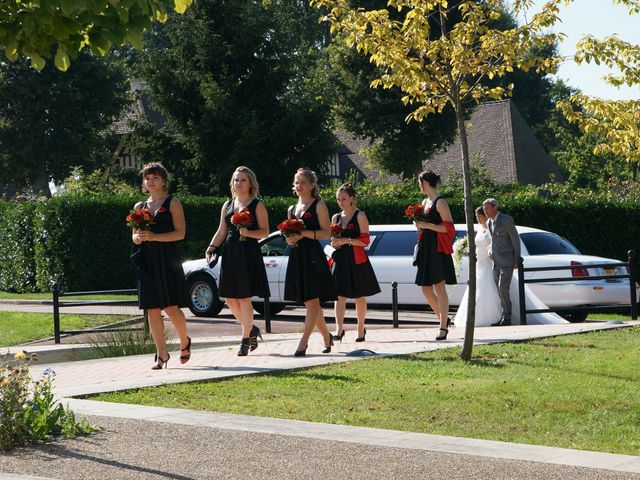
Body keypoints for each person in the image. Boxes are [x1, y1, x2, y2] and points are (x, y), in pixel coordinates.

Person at [454, 206, 568, 328]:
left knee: (496, 288)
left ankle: (502, 316)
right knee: (480, 289)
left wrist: (492, 252)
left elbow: (497, 242)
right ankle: (479, 316)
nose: (478, 218)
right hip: (480, 264)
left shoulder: (492, 226)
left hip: (490, 262)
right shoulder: (479, 228)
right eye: (476, 216)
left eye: (480, 216)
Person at [131, 162, 191, 370]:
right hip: (147, 261)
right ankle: (161, 354)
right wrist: (137, 238)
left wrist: (155, 236)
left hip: (167, 261)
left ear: (163, 181)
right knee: (152, 309)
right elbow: (134, 233)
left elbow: (180, 233)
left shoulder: (173, 203)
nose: (150, 181)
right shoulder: (140, 207)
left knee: (171, 307)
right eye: (147, 178)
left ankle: (185, 342)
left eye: (155, 177)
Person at [205, 166, 270, 356]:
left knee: (244, 297)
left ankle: (244, 340)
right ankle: (251, 330)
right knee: (229, 298)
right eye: (236, 180)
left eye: (242, 180)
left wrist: (248, 232)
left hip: (248, 254)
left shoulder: (257, 205)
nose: (238, 183)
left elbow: (265, 232)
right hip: (230, 254)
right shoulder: (228, 205)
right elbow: (222, 230)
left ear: (250, 183)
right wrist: (211, 247)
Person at [283, 168, 336, 356]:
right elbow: (290, 234)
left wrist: (303, 233)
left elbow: (326, 232)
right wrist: (289, 238)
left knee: (313, 302)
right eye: (297, 183)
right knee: (309, 302)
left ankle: (303, 343)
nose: (299, 186)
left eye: (303, 183)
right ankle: (326, 336)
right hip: (297, 256)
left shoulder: (318, 205)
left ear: (312, 184)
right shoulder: (292, 209)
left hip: (313, 256)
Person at [330, 183, 381, 342]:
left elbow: (366, 241)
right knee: (339, 296)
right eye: (338, 199)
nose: (341, 202)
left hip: (357, 260)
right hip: (340, 260)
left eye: (343, 198)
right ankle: (339, 329)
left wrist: (347, 240)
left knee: (359, 296)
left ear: (352, 198)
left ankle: (360, 329)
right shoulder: (335, 217)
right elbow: (333, 238)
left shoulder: (360, 215)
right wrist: (335, 242)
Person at [414, 170, 457, 341]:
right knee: (425, 288)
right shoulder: (425, 202)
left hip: (437, 248)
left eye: (419, 182)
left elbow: (449, 228)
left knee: (440, 288)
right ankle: (443, 318)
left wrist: (427, 225)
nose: (419, 186)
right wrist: (420, 225)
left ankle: (443, 328)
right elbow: (426, 225)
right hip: (425, 247)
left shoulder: (440, 202)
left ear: (424, 182)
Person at [482, 198, 520, 326]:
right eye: (484, 209)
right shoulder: (489, 222)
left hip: (507, 260)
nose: (485, 211)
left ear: (495, 207)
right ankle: (504, 315)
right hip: (495, 261)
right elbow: (492, 240)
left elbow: (515, 240)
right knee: (499, 290)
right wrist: (489, 250)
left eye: (487, 208)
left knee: (502, 288)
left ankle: (507, 317)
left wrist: (516, 259)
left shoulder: (506, 219)